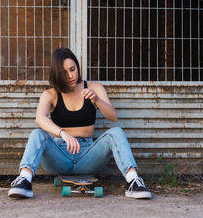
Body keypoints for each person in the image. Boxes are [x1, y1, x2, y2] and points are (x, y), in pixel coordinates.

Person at [8, 48, 152, 199]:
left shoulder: (94, 88)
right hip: (59, 156)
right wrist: (63, 133)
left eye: (73, 69)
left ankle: (134, 182)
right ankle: (24, 180)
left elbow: (113, 117)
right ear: (57, 74)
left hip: (88, 156)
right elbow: (40, 118)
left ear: (77, 67)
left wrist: (97, 100)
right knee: (37, 134)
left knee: (116, 132)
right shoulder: (50, 94)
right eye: (65, 72)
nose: (70, 76)